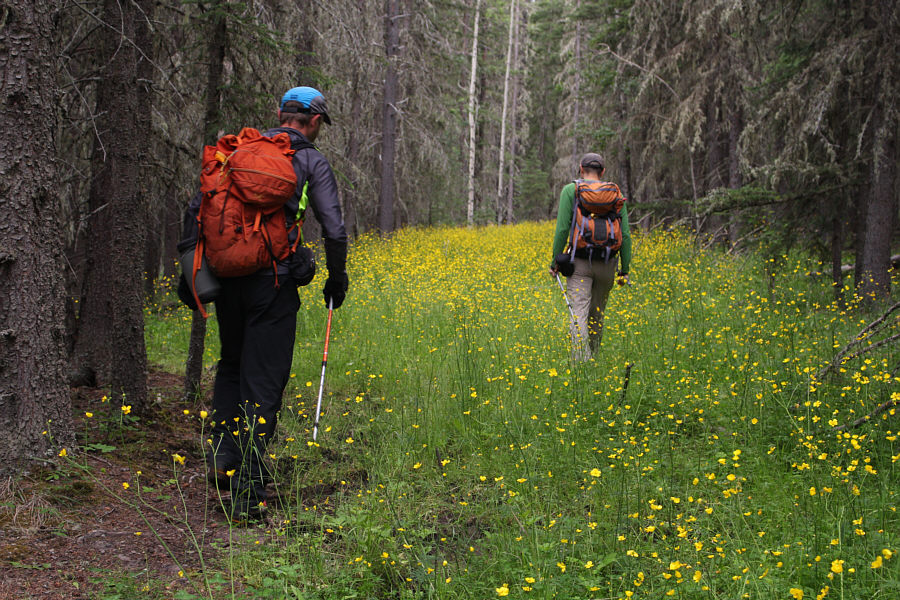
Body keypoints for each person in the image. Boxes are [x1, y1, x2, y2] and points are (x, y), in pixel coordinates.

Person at [178, 86, 348, 522]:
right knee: (264, 382)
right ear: (313, 122)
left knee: (232, 364)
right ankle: (248, 493)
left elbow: (200, 207)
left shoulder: (238, 151)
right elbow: (333, 227)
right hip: (273, 283)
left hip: (227, 280)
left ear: (281, 114)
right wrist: (336, 276)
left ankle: (222, 456)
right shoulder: (309, 160)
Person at [549, 153, 631, 361]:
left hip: (579, 264)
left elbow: (561, 230)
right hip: (608, 263)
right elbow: (626, 235)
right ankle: (593, 361)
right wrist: (625, 269)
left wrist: (555, 262)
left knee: (578, 315)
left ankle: (580, 366)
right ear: (602, 171)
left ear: (580, 168)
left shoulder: (571, 190)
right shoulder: (615, 193)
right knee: (597, 315)